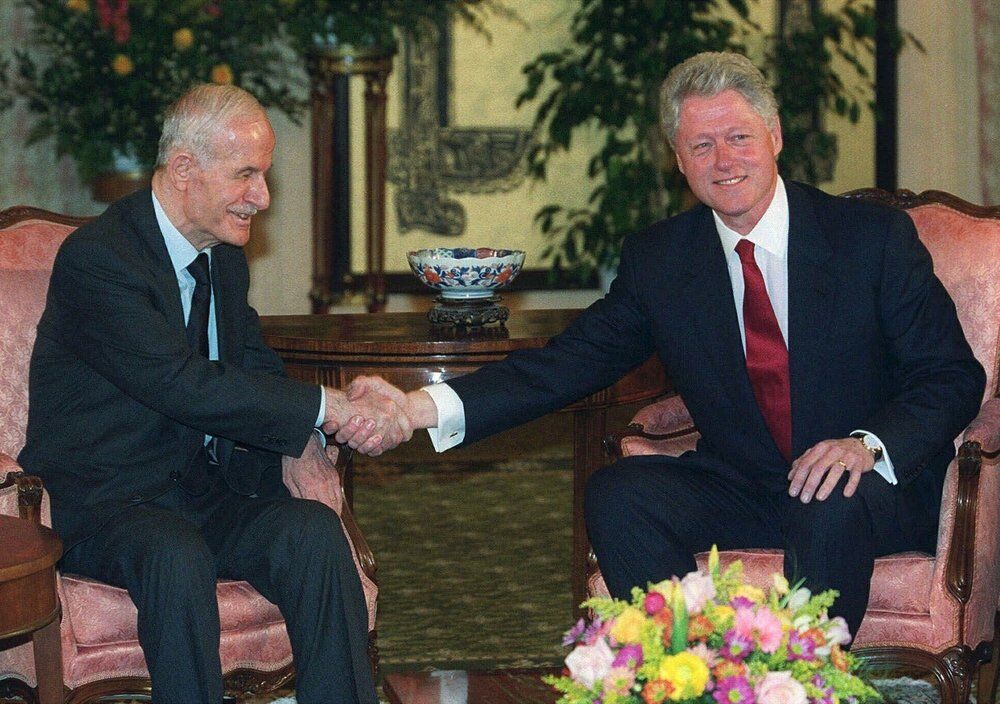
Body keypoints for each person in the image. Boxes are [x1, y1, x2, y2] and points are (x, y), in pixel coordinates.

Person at [349, 52, 985, 639]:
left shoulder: (870, 239)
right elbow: (564, 365)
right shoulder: (662, 261)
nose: (724, 160)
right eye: (700, 146)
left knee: (827, 503)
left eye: (738, 137)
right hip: (747, 484)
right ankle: (691, 669)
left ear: (775, 137)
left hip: (868, 488)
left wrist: (865, 446)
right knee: (618, 494)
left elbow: (951, 376)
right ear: (678, 161)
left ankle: (804, 679)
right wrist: (412, 410)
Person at [17, 84, 401, 704]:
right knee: (176, 554)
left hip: (201, 492)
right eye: (246, 174)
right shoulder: (101, 261)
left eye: (265, 175)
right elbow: (182, 384)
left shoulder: (221, 255)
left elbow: (249, 364)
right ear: (185, 169)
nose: (264, 198)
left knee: (313, 536)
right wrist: (328, 407)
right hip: (107, 503)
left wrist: (307, 434)